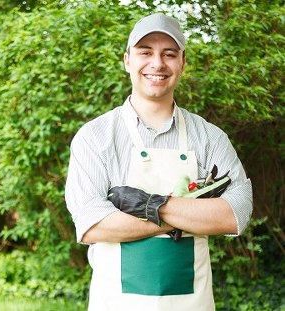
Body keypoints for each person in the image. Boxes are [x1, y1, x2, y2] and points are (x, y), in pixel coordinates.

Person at [64, 13, 253, 310]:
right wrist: (185, 217)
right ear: (127, 60)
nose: (157, 63)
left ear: (182, 63)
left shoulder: (209, 138)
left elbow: (235, 213)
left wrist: (154, 206)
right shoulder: (95, 137)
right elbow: (92, 224)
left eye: (169, 54)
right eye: (145, 52)